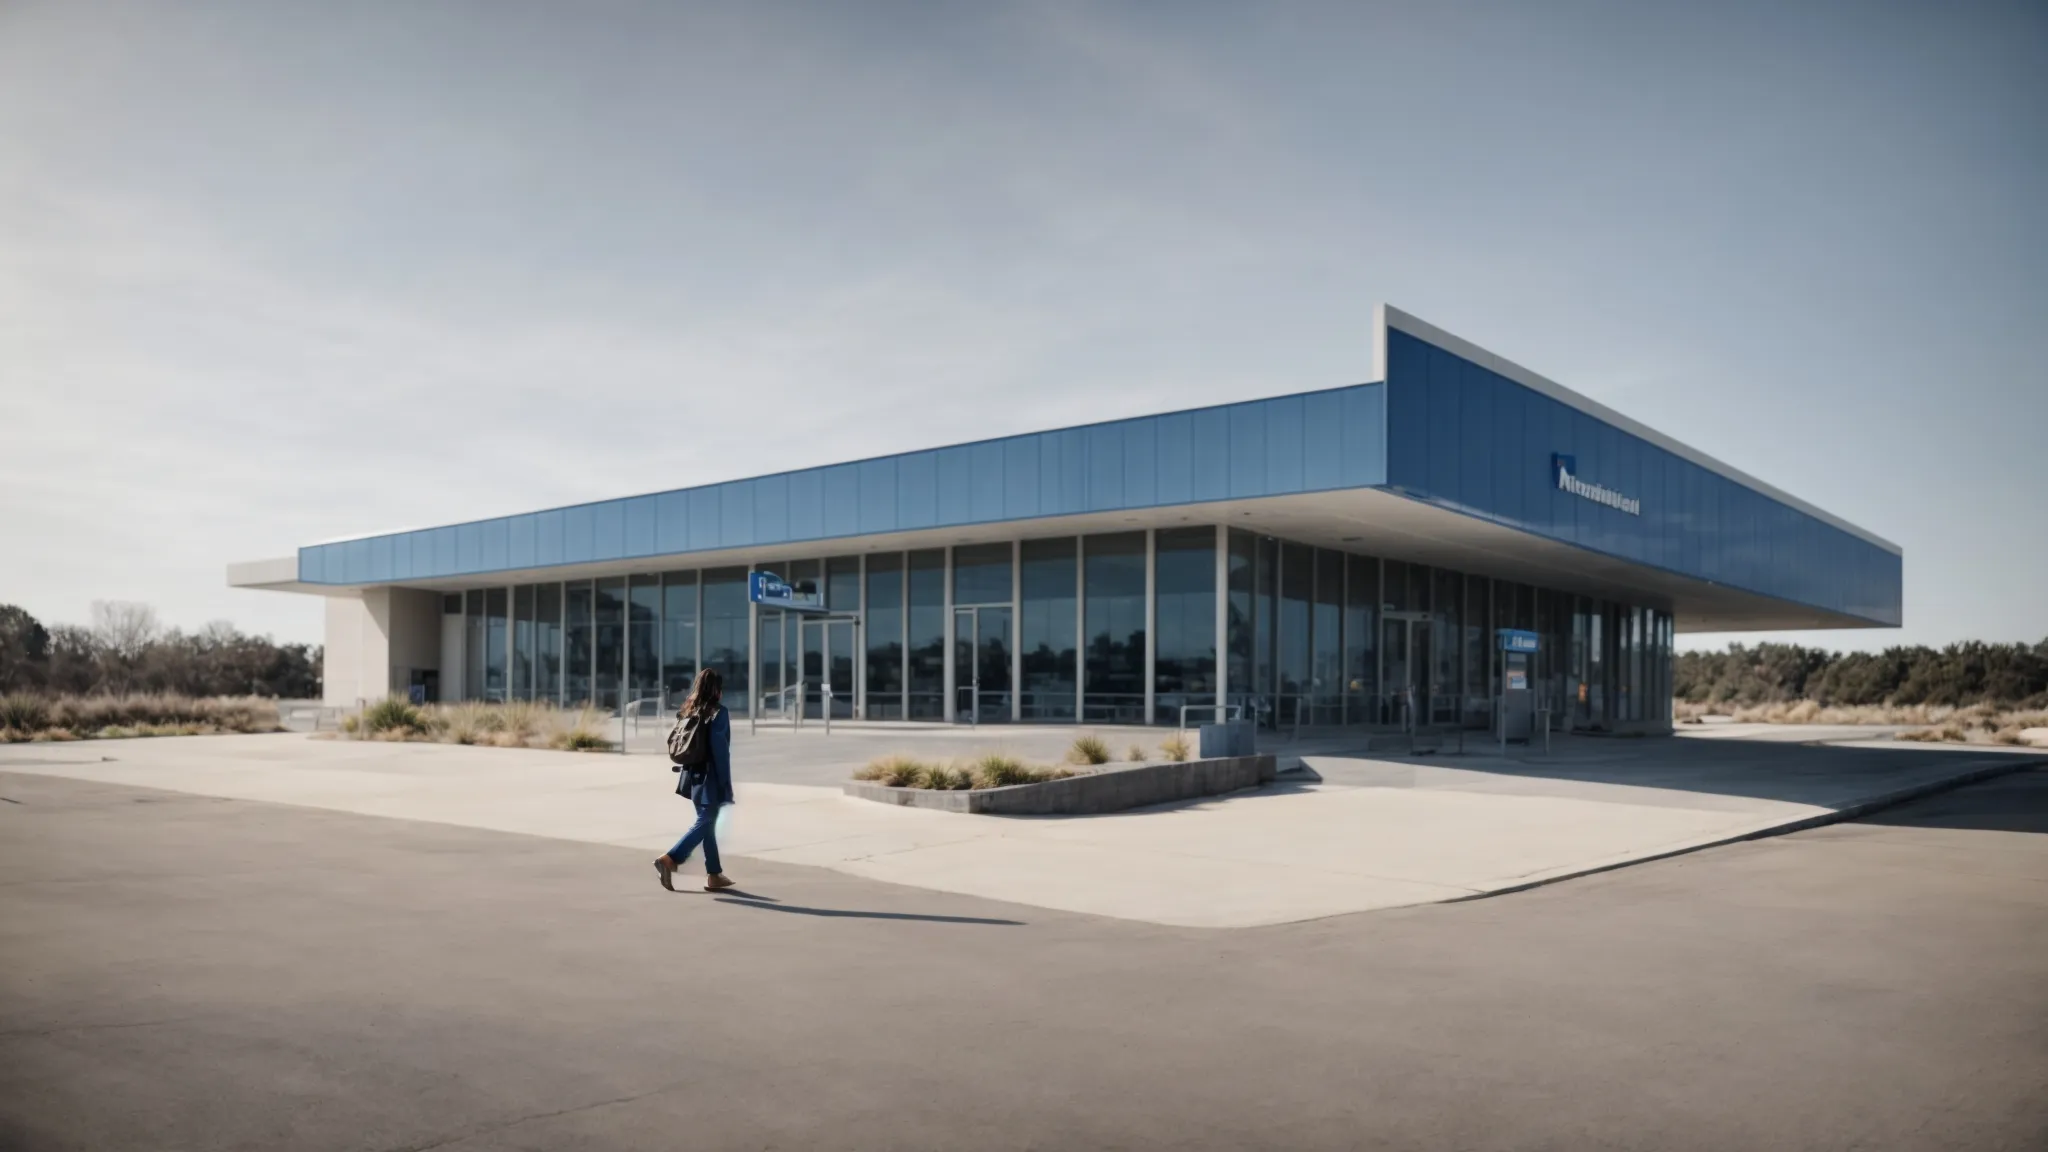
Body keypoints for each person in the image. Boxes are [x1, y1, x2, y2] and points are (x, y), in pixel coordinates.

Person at [654, 668, 736, 892]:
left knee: (707, 822)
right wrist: (725, 783)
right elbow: (721, 752)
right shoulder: (718, 712)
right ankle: (670, 858)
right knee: (706, 820)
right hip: (710, 776)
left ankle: (714, 874)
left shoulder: (689, 709)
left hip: (692, 774)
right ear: (717, 690)